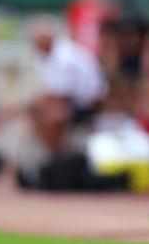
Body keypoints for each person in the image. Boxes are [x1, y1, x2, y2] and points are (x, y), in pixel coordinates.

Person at [28, 15, 108, 154]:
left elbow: (61, 94)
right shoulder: (46, 55)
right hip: (72, 99)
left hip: (89, 101)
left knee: (51, 116)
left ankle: (57, 156)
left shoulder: (65, 56)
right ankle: (54, 155)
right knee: (39, 113)